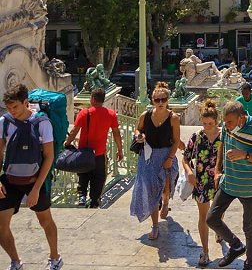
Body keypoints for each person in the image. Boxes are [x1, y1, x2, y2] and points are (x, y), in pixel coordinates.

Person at [0, 84, 62, 270]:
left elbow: (49, 156)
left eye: (16, 107)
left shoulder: (42, 123)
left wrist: (36, 189)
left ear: (25, 102)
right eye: (9, 108)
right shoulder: (4, 122)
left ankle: (54, 256)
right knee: (1, 226)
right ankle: (15, 261)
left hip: (35, 179)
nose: (12, 111)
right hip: (10, 179)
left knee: (45, 220)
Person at [207, 100, 252, 270]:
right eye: (224, 121)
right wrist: (217, 168)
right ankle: (235, 245)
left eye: (229, 122)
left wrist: (245, 155)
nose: (226, 126)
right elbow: (222, 144)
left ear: (241, 118)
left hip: (250, 186)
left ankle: (250, 264)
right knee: (212, 218)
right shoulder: (227, 128)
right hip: (229, 182)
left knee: (248, 227)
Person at [130, 82, 180, 240]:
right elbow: (138, 129)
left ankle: (165, 202)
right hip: (148, 156)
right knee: (151, 191)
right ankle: (155, 225)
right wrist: (139, 136)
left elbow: (176, 140)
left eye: (163, 99)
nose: (160, 103)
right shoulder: (145, 115)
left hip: (165, 154)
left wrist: (170, 158)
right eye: (157, 100)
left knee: (165, 187)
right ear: (152, 100)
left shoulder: (173, 118)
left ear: (167, 100)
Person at [65, 87, 122, 208]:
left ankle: (82, 196)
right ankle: (94, 200)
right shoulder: (111, 114)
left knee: (83, 174)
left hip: (84, 152)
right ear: (103, 99)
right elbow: (116, 133)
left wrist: (67, 143)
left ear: (92, 99)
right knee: (99, 177)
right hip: (99, 153)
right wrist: (120, 150)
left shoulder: (84, 113)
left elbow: (74, 131)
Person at [182, 99, 222, 267]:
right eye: (204, 123)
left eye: (210, 124)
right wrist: (189, 172)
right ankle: (205, 252)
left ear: (216, 122)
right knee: (204, 217)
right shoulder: (197, 137)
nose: (207, 126)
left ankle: (218, 230)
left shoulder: (225, 136)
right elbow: (185, 158)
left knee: (217, 213)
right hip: (201, 182)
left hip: (219, 180)